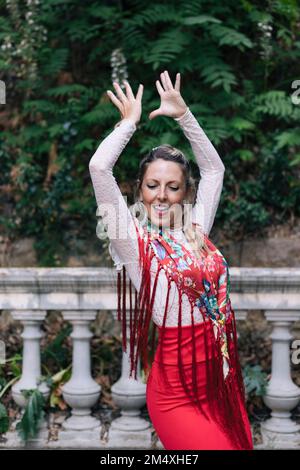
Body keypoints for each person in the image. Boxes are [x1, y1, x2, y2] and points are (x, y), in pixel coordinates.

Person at [89, 70, 253, 450]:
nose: (161, 196)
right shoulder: (130, 240)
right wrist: (128, 123)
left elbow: (214, 170)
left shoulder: (196, 230)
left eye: (173, 186)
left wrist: (184, 115)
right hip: (175, 394)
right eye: (152, 185)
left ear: (185, 192)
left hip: (219, 382)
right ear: (140, 190)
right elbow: (99, 168)